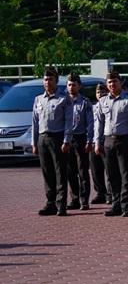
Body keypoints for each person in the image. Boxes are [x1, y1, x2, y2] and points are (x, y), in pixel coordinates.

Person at [94, 70, 128, 217]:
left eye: (115, 82)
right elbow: (99, 124)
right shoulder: (102, 101)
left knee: (126, 174)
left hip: (124, 140)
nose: (112, 84)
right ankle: (116, 204)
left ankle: (125, 205)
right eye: (109, 82)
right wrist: (97, 142)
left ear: (120, 83)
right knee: (112, 175)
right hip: (108, 141)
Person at [32, 67, 72, 216]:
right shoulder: (38, 99)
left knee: (60, 172)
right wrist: (34, 142)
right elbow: (35, 122)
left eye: (51, 79)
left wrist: (66, 140)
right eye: (46, 79)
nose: (48, 82)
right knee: (47, 172)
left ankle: (61, 204)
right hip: (43, 138)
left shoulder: (63, 99)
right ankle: (50, 203)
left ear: (56, 81)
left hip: (58, 137)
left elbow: (69, 121)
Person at [65, 72, 93, 211]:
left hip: (80, 138)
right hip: (67, 139)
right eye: (69, 85)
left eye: (74, 85)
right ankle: (74, 198)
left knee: (82, 171)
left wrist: (89, 140)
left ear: (79, 86)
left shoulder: (85, 102)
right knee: (70, 172)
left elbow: (89, 123)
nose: (71, 87)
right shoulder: (63, 101)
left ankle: (84, 200)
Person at [89, 84, 110, 205]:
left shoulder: (108, 105)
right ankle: (100, 193)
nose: (100, 94)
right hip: (94, 141)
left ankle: (111, 193)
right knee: (95, 170)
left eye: (103, 92)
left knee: (110, 169)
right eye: (98, 92)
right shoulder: (92, 108)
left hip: (106, 140)